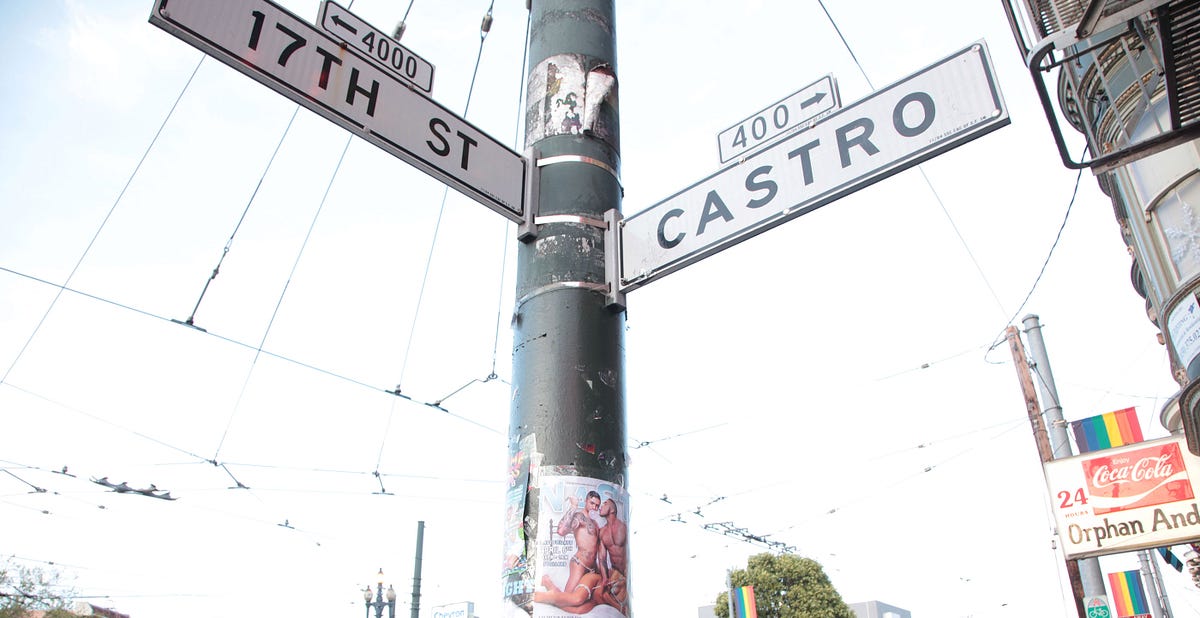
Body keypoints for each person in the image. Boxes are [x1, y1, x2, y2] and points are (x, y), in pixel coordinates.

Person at [555, 491, 603, 598]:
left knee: (585, 600)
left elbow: (597, 548)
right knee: (567, 597)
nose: (594, 508)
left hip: (592, 568)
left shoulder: (595, 524)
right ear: (586, 501)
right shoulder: (579, 517)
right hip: (579, 564)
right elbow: (561, 531)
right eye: (592, 503)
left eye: (597, 506)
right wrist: (573, 507)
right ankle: (547, 583)